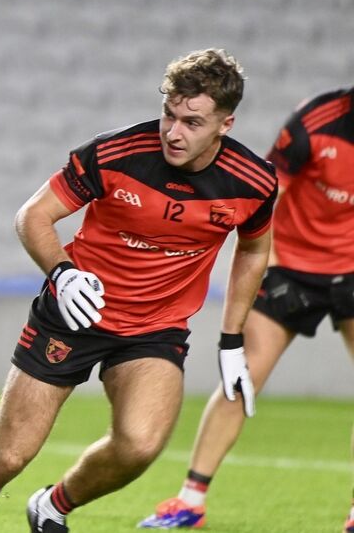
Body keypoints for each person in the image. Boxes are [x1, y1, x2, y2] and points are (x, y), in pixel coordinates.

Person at [0, 48, 276, 533]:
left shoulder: (254, 182)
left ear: (226, 124)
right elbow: (33, 216)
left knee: (140, 445)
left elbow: (254, 251)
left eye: (192, 122)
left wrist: (233, 339)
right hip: (75, 312)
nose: (174, 132)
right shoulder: (116, 153)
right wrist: (63, 273)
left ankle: (52, 505)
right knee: (7, 456)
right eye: (169, 115)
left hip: (154, 328)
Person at [137, 87, 354, 531]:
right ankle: (190, 502)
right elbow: (267, 198)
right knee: (242, 379)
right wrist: (270, 268)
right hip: (290, 266)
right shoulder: (315, 122)